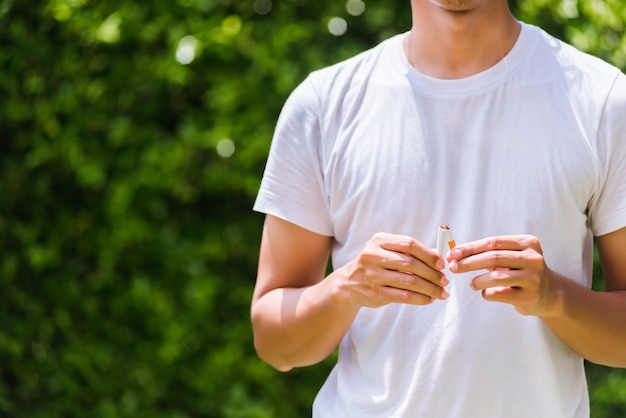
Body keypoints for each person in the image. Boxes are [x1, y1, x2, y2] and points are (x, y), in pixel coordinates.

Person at [251, 0, 626, 416]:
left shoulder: (603, 101)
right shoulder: (322, 106)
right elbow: (274, 344)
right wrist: (346, 288)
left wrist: (555, 297)